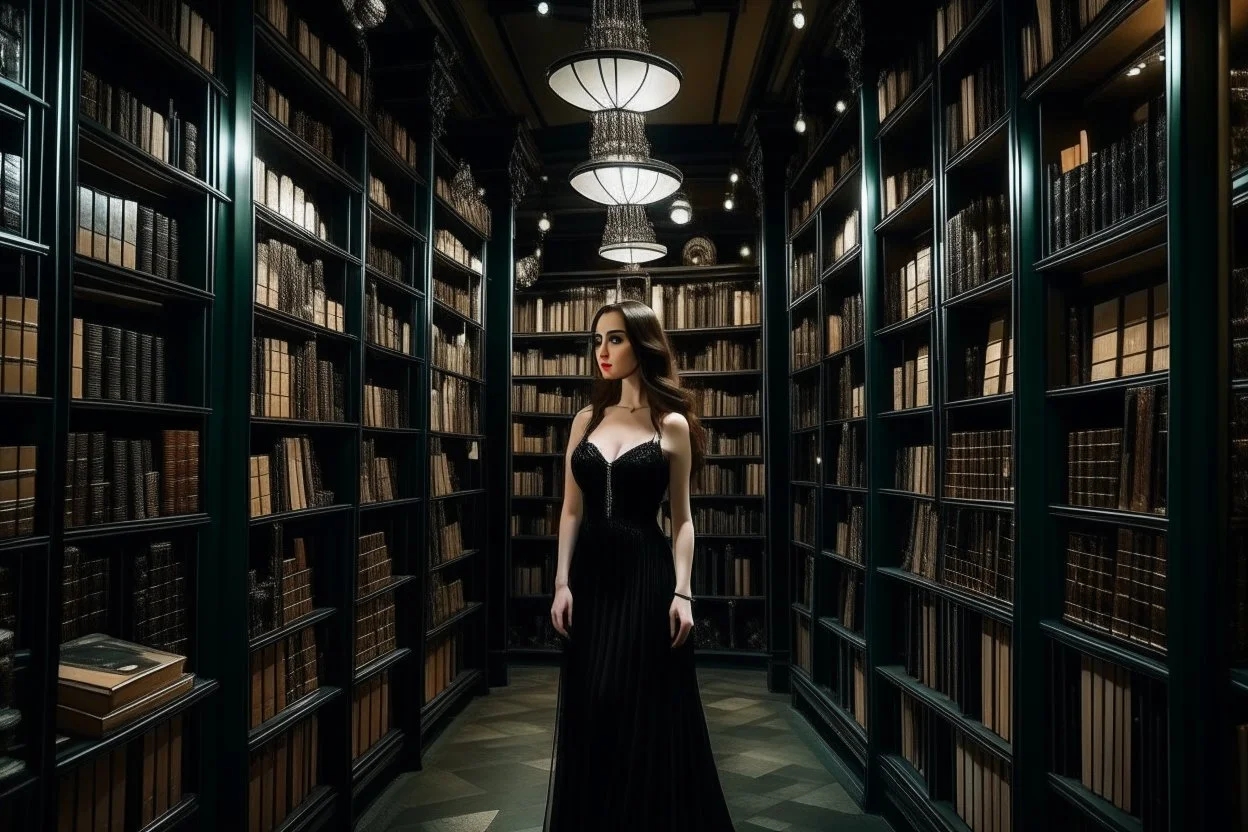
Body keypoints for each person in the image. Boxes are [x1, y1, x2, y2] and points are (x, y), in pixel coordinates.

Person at [543, 300, 736, 831]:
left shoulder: (670, 424)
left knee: (636, 705)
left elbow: (682, 519)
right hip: (590, 578)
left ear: (643, 344)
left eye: (616, 339)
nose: (602, 351)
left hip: (645, 577)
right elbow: (571, 509)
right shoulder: (585, 419)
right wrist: (561, 582)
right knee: (592, 702)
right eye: (597, 340)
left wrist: (683, 592)